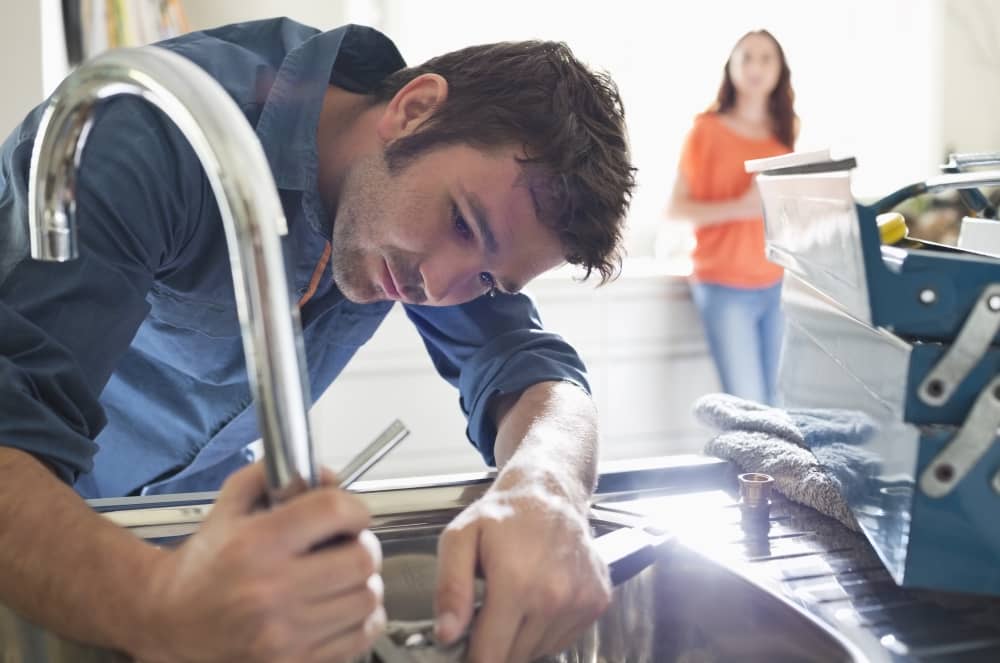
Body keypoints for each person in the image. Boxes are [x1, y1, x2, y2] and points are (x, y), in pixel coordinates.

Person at [0, 18, 635, 663]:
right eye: (463, 225)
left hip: (188, 513)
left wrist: (547, 487)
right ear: (414, 110)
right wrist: (158, 604)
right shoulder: (146, 136)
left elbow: (529, 367)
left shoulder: (408, 210)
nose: (438, 287)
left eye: (487, 280)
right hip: (41, 525)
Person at [666, 29, 797, 406]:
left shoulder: (785, 133)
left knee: (778, 403)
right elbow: (676, 209)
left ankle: (776, 470)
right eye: (747, 57)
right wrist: (742, 206)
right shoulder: (705, 130)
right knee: (748, 404)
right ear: (731, 67)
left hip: (776, 283)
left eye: (766, 58)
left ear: (780, 70)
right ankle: (748, 469)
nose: (756, 67)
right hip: (723, 285)